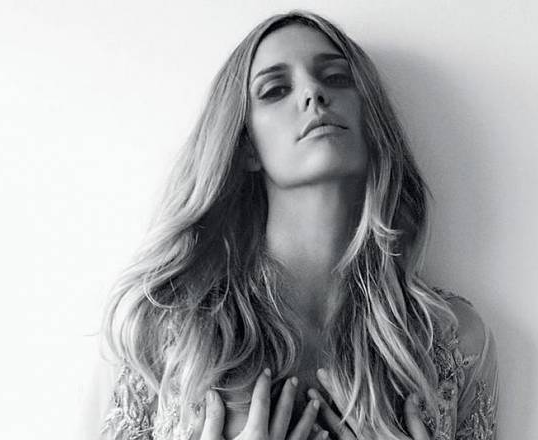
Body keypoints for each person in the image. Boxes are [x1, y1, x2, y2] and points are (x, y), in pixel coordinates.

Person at [98, 10, 499, 440]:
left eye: (337, 77)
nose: (313, 93)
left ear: (369, 118)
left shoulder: (453, 339)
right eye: (275, 89)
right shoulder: (166, 331)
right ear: (246, 147)